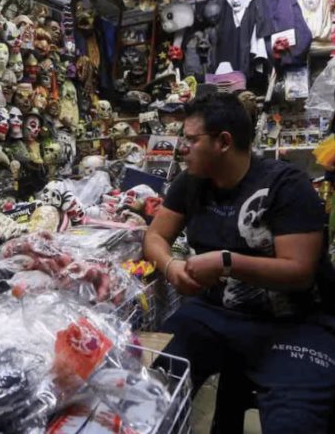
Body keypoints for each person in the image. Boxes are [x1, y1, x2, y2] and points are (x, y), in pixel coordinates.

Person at [143, 93, 335, 433]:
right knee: (143, 382)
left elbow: (299, 272)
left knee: (296, 424)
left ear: (223, 142)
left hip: (294, 322)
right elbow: (155, 237)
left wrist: (226, 262)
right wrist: (171, 266)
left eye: (190, 140)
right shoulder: (191, 183)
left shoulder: (287, 186)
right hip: (216, 314)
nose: (181, 149)